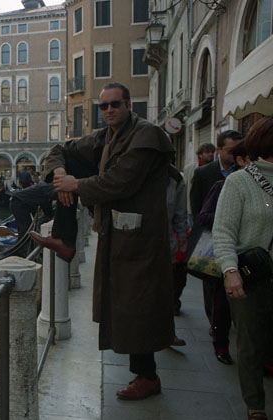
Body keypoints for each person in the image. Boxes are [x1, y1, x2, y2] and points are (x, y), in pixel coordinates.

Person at [31, 82, 175, 400]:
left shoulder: (146, 136)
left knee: (137, 305)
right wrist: (61, 176)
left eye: (115, 104)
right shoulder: (105, 137)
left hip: (141, 237)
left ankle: (147, 376)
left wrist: (76, 184)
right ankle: (65, 238)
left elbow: (120, 182)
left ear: (129, 105)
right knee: (125, 302)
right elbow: (60, 150)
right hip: (117, 231)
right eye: (103, 106)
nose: (108, 110)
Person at [213, 116, 273, 420]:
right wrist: (230, 270)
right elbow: (223, 231)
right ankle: (256, 406)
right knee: (250, 345)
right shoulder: (239, 181)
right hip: (253, 278)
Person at [189, 131, 242, 343]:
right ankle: (214, 321)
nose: (234, 155)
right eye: (230, 151)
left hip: (236, 238)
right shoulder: (204, 173)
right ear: (219, 150)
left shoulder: (243, 171)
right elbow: (196, 206)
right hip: (210, 236)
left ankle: (227, 319)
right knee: (211, 282)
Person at [166, 164, 188, 320]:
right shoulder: (133, 170)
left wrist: (182, 241)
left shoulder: (175, 178)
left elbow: (180, 216)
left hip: (167, 246)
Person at [184, 143, 216, 223]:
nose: (211, 154)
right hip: (193, 209)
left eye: (212, 152)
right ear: (200, 155)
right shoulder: (190, 169)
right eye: (207, 152)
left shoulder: (216, 168)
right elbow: (185, 187)